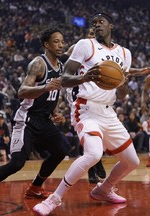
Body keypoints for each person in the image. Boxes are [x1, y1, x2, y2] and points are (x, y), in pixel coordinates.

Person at [33, 12, 150, 215]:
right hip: (85, 109)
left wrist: (121, 84)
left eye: (101, 22)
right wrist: (84, 78)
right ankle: (54, 199)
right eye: (94, 23)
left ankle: (103, 190)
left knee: (133, 161)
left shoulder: (125, 53)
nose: (97, 25)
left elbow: (122, 94)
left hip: (108, 112)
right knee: (94, 154)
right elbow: (65, 78)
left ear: (111, 26)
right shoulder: (84, 45)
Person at [0, 27, 69, 209]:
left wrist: (54, 112)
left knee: (62, 149)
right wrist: (44, 88)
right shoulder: (38, 64)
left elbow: (55, 92)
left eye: (62, 41)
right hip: (26, 120)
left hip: (44, 119)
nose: (61, 45)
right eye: (56, 41)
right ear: (46, 44)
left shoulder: (61, 65)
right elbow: (21, 92)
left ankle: (35, 187)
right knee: (17, 163)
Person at [60, 27, 106, 184]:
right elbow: (61, 61)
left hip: (95, 93)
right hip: (76, 89)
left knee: (96, 132)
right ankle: (93, 169)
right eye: (91, 33)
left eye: (95, 34)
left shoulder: (104, 51)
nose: (92, 36)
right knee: (85, 133)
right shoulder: (78, 47)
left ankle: (97, 160)